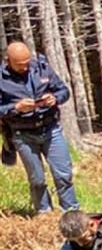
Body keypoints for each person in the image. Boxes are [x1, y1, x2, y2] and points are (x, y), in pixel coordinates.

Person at [0, 41, 77, 214]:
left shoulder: (42, 68)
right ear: (8, 61)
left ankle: (71, 213)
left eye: (27, 62)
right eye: (20, 65)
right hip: (23, 134)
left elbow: (64, 91)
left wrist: (54, 98)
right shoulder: (1, 79)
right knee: (37, 180)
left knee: (63, 175)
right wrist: (16, 108)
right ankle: (44, 213)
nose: (25, 67)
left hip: (50, 129)